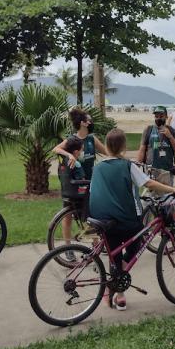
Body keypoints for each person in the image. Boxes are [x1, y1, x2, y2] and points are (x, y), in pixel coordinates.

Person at [90, 128, 175, 310]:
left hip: (101, 217)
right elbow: (148, 183)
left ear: (107, 146)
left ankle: (118, 290)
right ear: (124, 147)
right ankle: (116, 287)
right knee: (138, 242)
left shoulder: (98, 167)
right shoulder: (127, 165)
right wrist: (173, 189)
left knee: (114, 252)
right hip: (126, 218)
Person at [53, 107, 107, 261]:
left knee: (90, 215)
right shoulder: (72, 140)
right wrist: (69, 154)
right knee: (68, 215)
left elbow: (107, 152)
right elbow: (55, 149)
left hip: (90, 183)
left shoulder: (91, 139)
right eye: (89, 120)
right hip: (73, 184)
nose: (91, 122)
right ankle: (68, 248)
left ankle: (95, 245)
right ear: (83, 123)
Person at [137, 106, 175, 186]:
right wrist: (136, 168)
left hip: (167, 171)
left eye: (161, 116)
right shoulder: (148, 130)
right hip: (151, 170)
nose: (158, 119)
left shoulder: (171, 131)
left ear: (166, 117)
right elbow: (142, 149)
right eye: (156, 116)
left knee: (167, 196)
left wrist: (170, 137)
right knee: (151, 196)